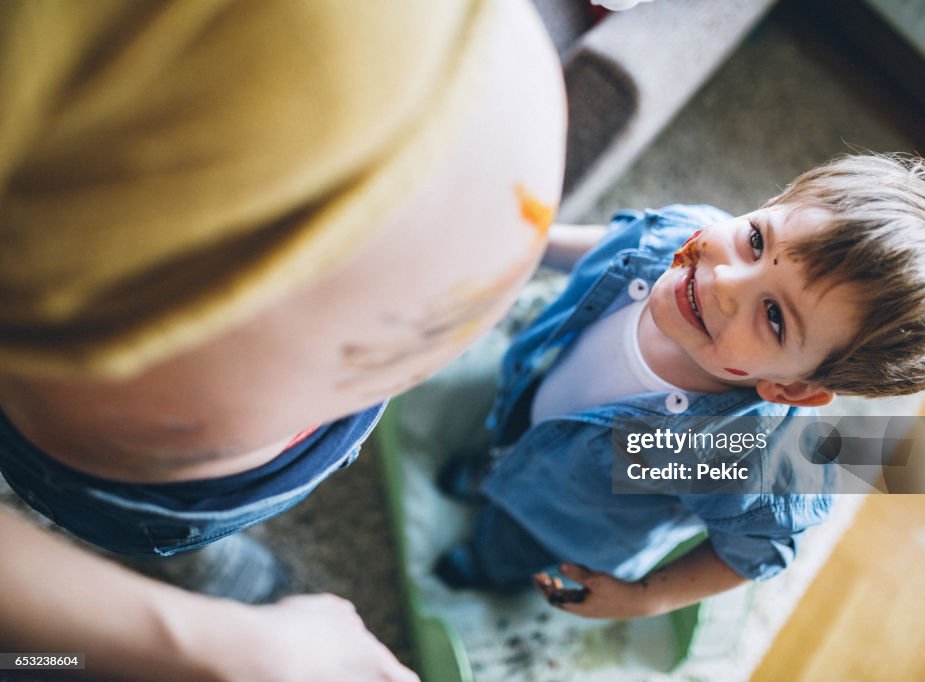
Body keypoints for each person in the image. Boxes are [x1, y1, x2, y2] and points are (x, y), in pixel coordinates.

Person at [0, 0, 566, 678]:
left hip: (316, 416)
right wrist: (195, 644)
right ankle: (190, 553)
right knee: (163, 538)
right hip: (154, 482)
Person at [436, 153, 925, 618]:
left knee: (507, 542)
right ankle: (491, 470)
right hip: (533, 408)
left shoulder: (737, 451)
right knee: (506, 443)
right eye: (755, 239)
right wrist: (528, 244)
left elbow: (755, 550)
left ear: (791, 390)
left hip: (562, 524)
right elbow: (612, 243)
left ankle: (485, 564)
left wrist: (646, 597)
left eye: (774, 317)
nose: (725, 281)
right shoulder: (676, 239)